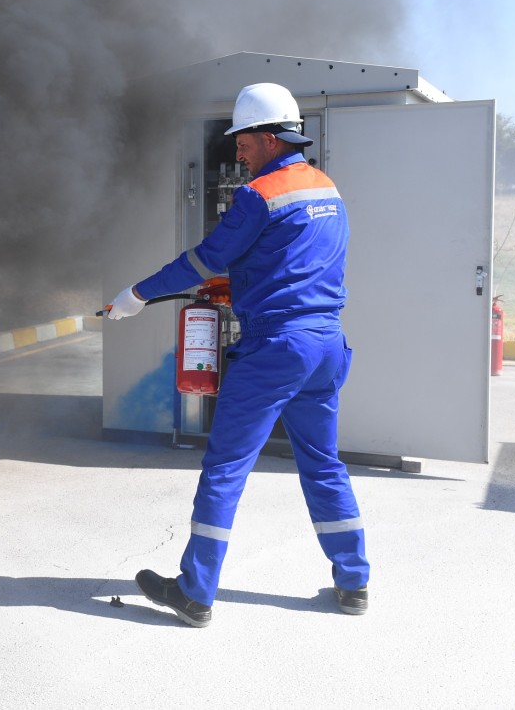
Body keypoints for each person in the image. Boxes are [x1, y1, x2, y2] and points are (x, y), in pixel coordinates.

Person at [105, 81, 369, 627]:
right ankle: (354, 581)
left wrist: (137, 295)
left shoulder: (259, 193)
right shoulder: (327, 188)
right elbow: (294, 261)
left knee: (224, 467)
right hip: (324, 345)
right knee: (323, 464)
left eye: (243, 139)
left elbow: (204, 259)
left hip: (275, 348)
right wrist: (243, 287)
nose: (237, 150)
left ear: (271, 138)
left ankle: (195, 593)